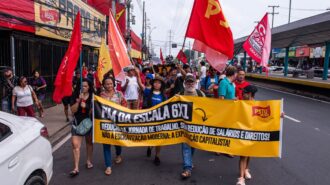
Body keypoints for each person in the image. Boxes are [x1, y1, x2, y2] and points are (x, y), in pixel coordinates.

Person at [137, 72, 167, 166]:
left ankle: (157, 156)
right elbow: (140, 85)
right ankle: (150, 146)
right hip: (149, 119)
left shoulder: (164, 96)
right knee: (151, 137)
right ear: (152, 83)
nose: (157, 84)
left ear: (161, 85)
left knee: (159, 139)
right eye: (155, 82)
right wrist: (138, 75)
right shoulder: (148, 92)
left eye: (159, 83)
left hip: (159, 120)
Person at [179, 74, 205, 179]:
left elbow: (207, 108)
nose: (190, 84)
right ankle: (187, 168)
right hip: (184, 125)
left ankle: (189, 161)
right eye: (188, 82)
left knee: (193, 145)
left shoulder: (200, 94)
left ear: (195, 83)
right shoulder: (180, 94)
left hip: (196, 125)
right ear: (185, 83)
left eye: (192, 82)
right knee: (186, 146)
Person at [100, 77, 126, 176]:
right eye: (107, 84)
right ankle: (108, 166)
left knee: (117, 142)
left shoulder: (119, 94)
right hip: (105, 124)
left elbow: (125, 106)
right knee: (106, 145)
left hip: (117, 124)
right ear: (104, 85)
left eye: (111, 83)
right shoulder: (101, 96)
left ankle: (118, 154)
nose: (109, 86)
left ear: (113, 84)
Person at [69, 79, 94, 177]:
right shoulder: (75, 96)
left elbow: (94, 111)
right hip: (77, 123)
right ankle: (76, 168)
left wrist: (87, 106)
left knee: (89, 143)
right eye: (81, 86)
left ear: (89, 87)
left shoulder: (93, 96)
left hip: (88, 124)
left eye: (85, 86)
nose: (83, 88)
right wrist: (79, 101)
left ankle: (88, 161)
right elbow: (73, 110)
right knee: (75, 145)